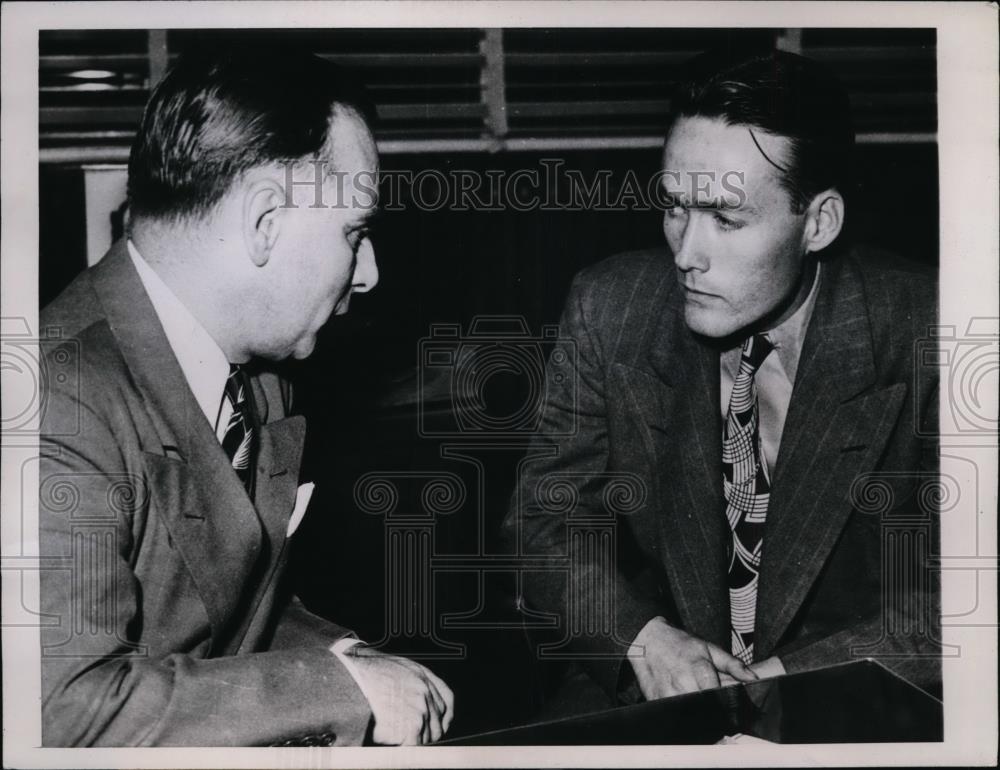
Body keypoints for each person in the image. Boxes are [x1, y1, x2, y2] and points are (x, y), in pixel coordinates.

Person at [39, 45, 453, 746]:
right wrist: (334, 691)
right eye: (355, 232)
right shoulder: (56, 397)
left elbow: (218, 607)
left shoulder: (258, 374)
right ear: (265, 221)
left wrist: (344, 657)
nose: (370, 272)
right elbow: (66, 712)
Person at [505, 49, 940, 713]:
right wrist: (644, 641)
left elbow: (970, 596)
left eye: (726, 219)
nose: (685, 253)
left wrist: (794, 676)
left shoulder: (932, 331)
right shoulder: (610, 305)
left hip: (862, 689)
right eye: (675, 207)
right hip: (654, 681)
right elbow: (545, 522)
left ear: (818, 222)